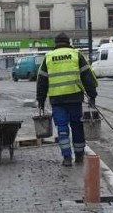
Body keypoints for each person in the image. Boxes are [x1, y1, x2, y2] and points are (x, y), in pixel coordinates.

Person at [36, 32, 98, 167]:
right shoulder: (76, 55)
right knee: (77, 126)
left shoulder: (48, 57)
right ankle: (80, 155)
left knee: (62, 128)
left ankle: (67, 158)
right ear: (68, 42)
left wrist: (40, 101)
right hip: (75, 98)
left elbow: (42, 81)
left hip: (57, 100)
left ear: (56, 43)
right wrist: (92, 95)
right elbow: (88, 77)